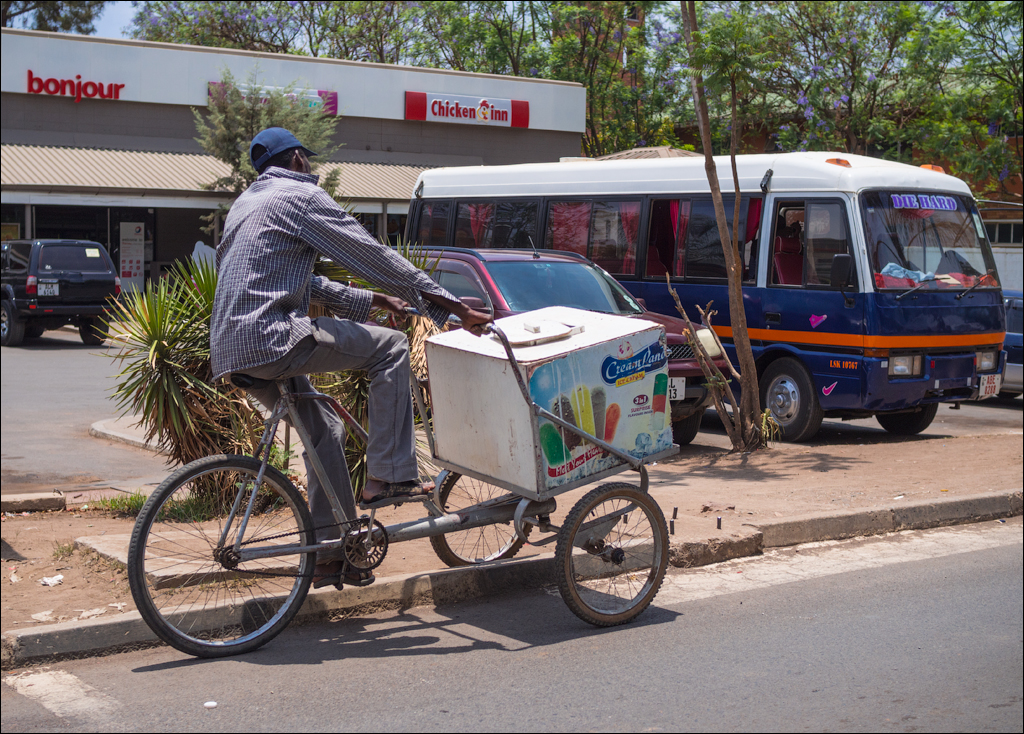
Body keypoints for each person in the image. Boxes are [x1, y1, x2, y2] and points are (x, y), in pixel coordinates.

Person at [210, 127, 492, 589]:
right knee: (391, 346)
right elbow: (371, 254)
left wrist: (376, 300)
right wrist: (454, 307)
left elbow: (297, 282)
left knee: (326, 431)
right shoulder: (300, 196)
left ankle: (331, 554)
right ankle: (389, 475)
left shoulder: (246, 205)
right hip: (273, 337)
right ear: (297, 159)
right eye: (308, 160)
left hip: (233, 349)